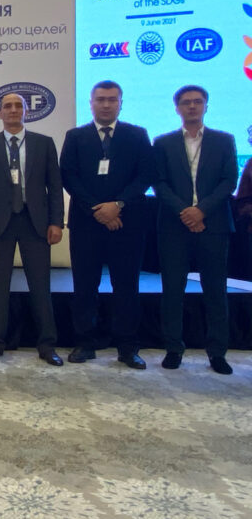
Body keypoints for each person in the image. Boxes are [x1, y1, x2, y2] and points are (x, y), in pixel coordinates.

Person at [60, 80, 155, 369]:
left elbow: (145, 175)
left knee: (126, 286)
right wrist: (97, 210)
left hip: (127, 223)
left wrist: (118, 205)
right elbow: (69, 176)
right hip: (86, 224)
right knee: (85, 285)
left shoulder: (137, 135)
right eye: (100, 99)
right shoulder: (75, 136)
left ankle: (127, 347)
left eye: (112, 99)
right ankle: (85, 342)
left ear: (120, 103)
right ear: (91, 103)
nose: (106, 104)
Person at [0, 92, 64, 366]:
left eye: (17, 106)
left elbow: (55, 187)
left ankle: (47, 345)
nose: (12, 110)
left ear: (26, 111)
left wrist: (57, 222)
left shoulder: (44, 144)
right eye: (7, 106)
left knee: (40, 286)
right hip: (0, 224)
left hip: (35, 223)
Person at [152, 85, 237, 375]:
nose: (192, 107)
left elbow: (229, 182)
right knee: (172, 290)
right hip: (174, 227)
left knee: (215, 291)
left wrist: (201, 211)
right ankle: (174, 348)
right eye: (186, 103)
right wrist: (184, 211)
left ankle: (217, 353)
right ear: (177, 108)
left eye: (197, 102)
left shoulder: (224, 140)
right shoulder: (163, 143)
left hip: (212, 225)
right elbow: (159, 183)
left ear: (206, 106)